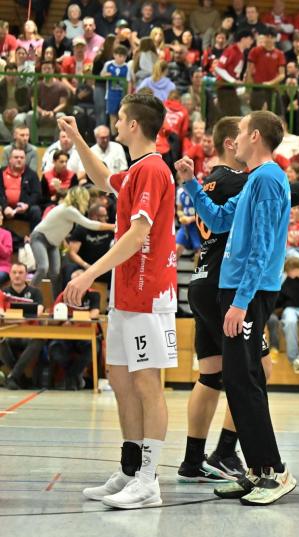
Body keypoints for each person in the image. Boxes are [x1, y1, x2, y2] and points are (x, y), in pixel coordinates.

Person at [176, 116, 299, 483]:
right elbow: (217, 218)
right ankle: (253, 469)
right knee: (241, 380)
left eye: (241, 132)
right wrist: (190, 185)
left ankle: (270, 471)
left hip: (249, 292)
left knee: (246, 380)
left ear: (255, 137)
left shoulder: (268, 178)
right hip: (230, 288)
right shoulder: (253, 182)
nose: (236, 139)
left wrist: (241, 301)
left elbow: (261, 244)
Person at [60, 93, 178, 510]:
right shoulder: (133, 172)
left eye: (120, 118)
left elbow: (137, 235)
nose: (115, 122)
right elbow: (100, 177)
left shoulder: (152, 170)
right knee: (122, 380)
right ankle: (130, 470)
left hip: (149, 295)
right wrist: (77, 140)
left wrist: (90, 271)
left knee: (147, 383)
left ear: (132, 126)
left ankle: (150, 480)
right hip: (127, 295)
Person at [30, 186, 114, 290]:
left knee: (56, 274)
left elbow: (58, 228)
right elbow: (90, 224)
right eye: (86, 198)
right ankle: (29, 294)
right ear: (80, 198)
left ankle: (56, 301)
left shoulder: (70, 210)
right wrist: (112, 227)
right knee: (43, 267)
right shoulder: (68, 209)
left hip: (53, 243)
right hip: (39, 238)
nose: (87, 201)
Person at [0, 263, 45, 389]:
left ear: (26, 275)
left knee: (39, 341)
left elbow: (38, 312)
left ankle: (14, 377)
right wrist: (22, 319)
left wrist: (13, 318)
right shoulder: (3, 293)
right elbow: (1, 315)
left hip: (29, 335)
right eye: (14, 272)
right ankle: (20, 377)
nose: (17, 275)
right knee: (1, 342)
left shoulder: (36, 292)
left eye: (20, 273)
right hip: (10, 334)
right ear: (10, 275)